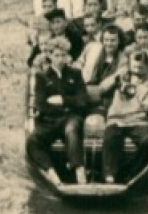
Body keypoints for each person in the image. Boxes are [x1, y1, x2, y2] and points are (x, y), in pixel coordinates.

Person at [28, 40, 98, 184]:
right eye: (57, 55)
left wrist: (64, 100)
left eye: (63, 55)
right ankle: (52, 172)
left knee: (72, 131)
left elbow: (83, 101)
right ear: (50, 56)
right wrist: (69, 105)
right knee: (32, 141)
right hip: (50, 121)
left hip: (70, 118)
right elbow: (41, 106)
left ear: (67, 57)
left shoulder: (75, 74)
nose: (60, 59)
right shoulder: (42, 77)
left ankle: (79, 172)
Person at [100, 50, 148, 183]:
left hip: (138, 120)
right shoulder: (122, 75)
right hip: (116, 118)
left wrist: (139, 88)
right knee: (110, 139)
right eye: (133, 67)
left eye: (140, 67)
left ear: (146, 66)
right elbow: (102, 89)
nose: (136, 70)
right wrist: (115, 79)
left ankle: (129, 173)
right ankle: (109, 176)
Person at [79, 25, 127, 97]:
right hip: (85, 86)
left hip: (107, 93)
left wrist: (94, 91)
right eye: (106, 40)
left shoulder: (124, 59)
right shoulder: (92, 47)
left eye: (113, 40)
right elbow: (79, 63)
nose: (109, 43)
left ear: (119, 41)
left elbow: (112, 80)